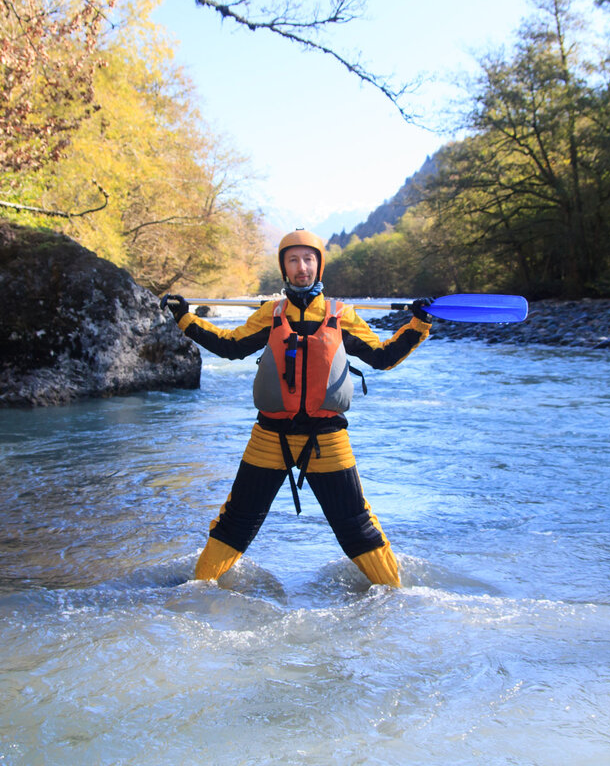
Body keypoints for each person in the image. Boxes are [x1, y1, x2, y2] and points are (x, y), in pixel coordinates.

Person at [160, 229, 433, 587]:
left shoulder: (342, 315)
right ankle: (196, 592)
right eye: (293, 260)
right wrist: (185, 318)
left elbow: (382, 356)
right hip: (269, 437)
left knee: (356, 524)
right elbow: (230, 345)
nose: (301, 267)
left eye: (308, 259)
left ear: (319, 265)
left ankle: (395, 596)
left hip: (327, 439)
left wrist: (419, 323)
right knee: (236, 520)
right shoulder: (270, 314)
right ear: (283, 267)